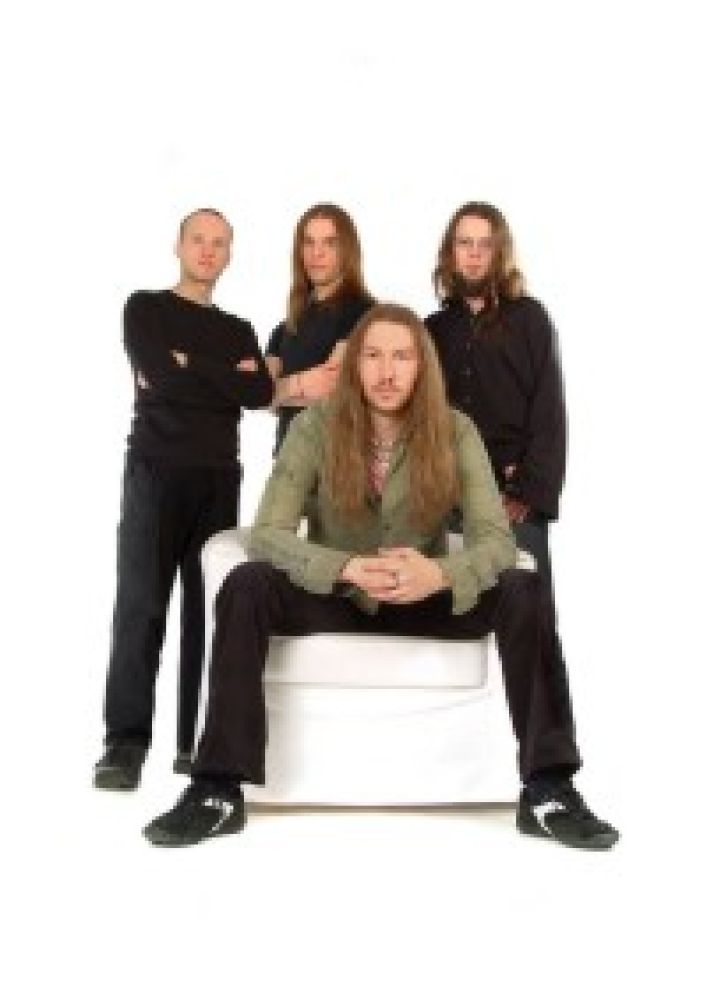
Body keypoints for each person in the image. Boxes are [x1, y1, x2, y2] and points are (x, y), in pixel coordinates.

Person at [143, 303, 618, 851]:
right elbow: (269, 533)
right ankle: (217, 790)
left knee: (524, 587)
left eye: (401, 357)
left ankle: (549, 790)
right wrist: (343, 567)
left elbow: (496, 541)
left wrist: (439, 574)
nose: (386, 372)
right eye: (372, 356)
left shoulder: (456, 429)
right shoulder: (315, 426)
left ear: (422, 366)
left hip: (426, 598)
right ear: (354, 365)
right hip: (338, 593)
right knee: (246, 584)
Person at [94, 208, 273, 791]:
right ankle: (124, 744)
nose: (207, 251)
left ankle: (193, 742)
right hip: (154, 472)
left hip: (217, 479)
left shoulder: (239, 328)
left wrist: (189, 367)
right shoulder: (144, 308)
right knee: (141, 607)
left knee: (207, 613)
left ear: (229, 255)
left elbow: (257, 392)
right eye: (198, 239)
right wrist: (222, 378)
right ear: (178, 245)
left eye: (219, 243)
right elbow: (169, 378)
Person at [426, 202, 575, 740]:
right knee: (436, 621)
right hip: (444, 503)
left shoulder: (530, 319)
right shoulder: (431, 330)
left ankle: (551, 767)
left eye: (483, 244)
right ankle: (450, 755)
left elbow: (549, 416)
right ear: (450, 254)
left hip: (514, 504)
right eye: (463, 243)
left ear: (498, 252)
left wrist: (525, 493)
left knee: (534, 628)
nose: (473, 254)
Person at [265, 203, 374, 452]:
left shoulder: (364, 315)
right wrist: (302, 384)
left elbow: (329, 387)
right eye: (309, 242)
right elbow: (260, 396)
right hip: (287, 461)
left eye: (330, 243)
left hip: (336, 461)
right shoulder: (285, 327)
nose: (317, 253)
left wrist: (281, 390)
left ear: (347, 250)